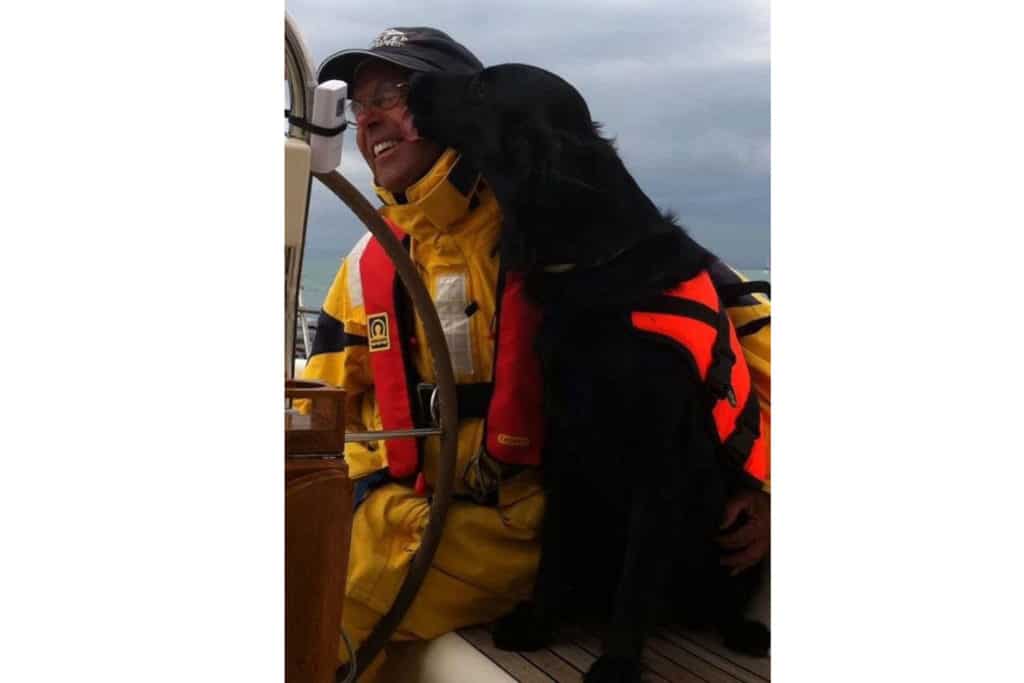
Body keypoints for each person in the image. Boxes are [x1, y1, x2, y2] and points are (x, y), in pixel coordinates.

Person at [300, 25, 771, 677]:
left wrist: (763, 477)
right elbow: (320, 415)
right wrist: (356, 498)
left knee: (312, 612)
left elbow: (731, 324)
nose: (370, 117)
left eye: (396, 93)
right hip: (391, 509)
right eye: (358, 104)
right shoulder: (364, 266)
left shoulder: (566, 227)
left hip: (520, 526)